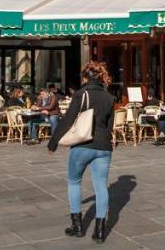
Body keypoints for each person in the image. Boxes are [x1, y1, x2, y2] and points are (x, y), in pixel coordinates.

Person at [48, 60, 117, 243]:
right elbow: (110, 126)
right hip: (103, 147)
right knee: (101, 186)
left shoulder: (81, 94)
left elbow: (68, 120)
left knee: (74, 182)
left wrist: (53, 142)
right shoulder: (109, 98)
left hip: (82, 145)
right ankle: (100, 230)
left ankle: (77, 226)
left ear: (86, 76)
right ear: (102, 76)